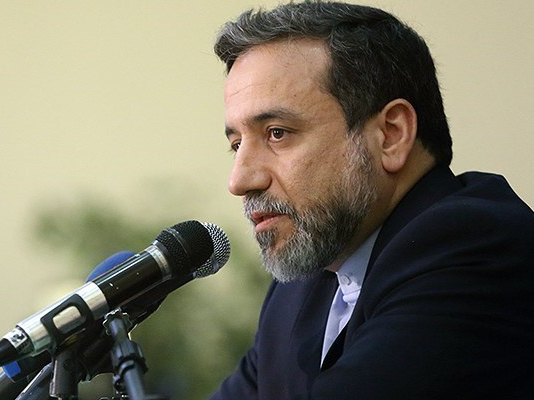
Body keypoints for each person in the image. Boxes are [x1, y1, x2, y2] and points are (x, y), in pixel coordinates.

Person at [207, 1, 534, 399]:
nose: (240, 180)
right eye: (237, 145)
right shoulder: (298, 289)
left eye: (277, 133)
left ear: (391, 135)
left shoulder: (478, 248)